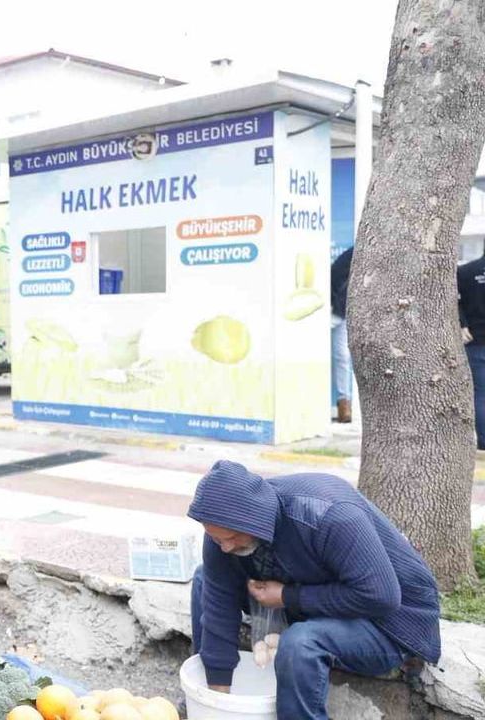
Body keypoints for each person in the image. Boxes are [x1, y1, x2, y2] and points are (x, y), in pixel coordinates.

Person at [188, 460, 441, 720]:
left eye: (230, 538)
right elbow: (219, 604)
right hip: (319, 598)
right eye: (217, 539)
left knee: (301, 643)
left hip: (389, 621)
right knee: (205, 580)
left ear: (254, 521)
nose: (225, 547)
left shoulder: (329, 516)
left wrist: (288, 596)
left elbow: (382, 597)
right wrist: (217, 703)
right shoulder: (222, 528)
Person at [458, 254, 485, 449]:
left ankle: (484, 441)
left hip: (475, 341)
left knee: (481, 394)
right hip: (475, 342)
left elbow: (455, 303)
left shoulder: (466, 272)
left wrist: (463, 324)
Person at [330, 248, 354, 423]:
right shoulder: (356, 253)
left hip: (343, 311)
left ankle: (344, 404)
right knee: (341, 357)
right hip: (332, 308)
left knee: (343, 357)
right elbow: (335, 274)